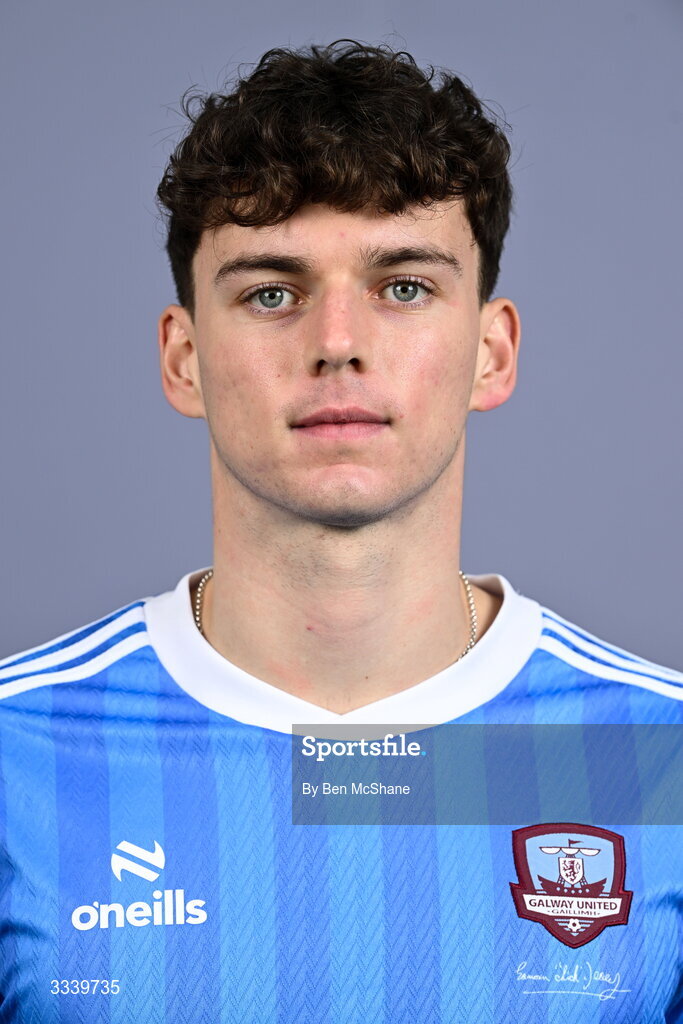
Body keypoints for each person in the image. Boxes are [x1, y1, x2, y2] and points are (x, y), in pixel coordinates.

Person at [0, 39, 681, 1024]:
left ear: (489, 352)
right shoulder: (18, 753)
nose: (336, 344)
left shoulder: (659, 756)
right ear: (183, 358)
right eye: (270, 292)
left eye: (403, 286)